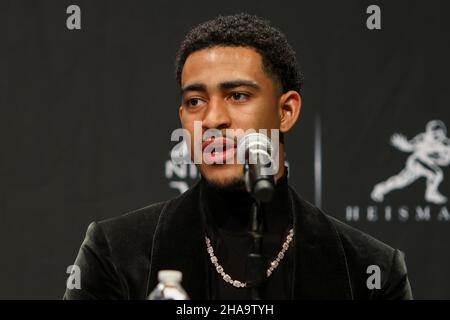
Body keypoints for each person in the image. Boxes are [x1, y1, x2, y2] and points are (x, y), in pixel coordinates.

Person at [64, 13, 413, 300]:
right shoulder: (116, 251)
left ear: (286, 111)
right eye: (195, 101)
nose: (213, 118)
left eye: (238, 95)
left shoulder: (371, 268)